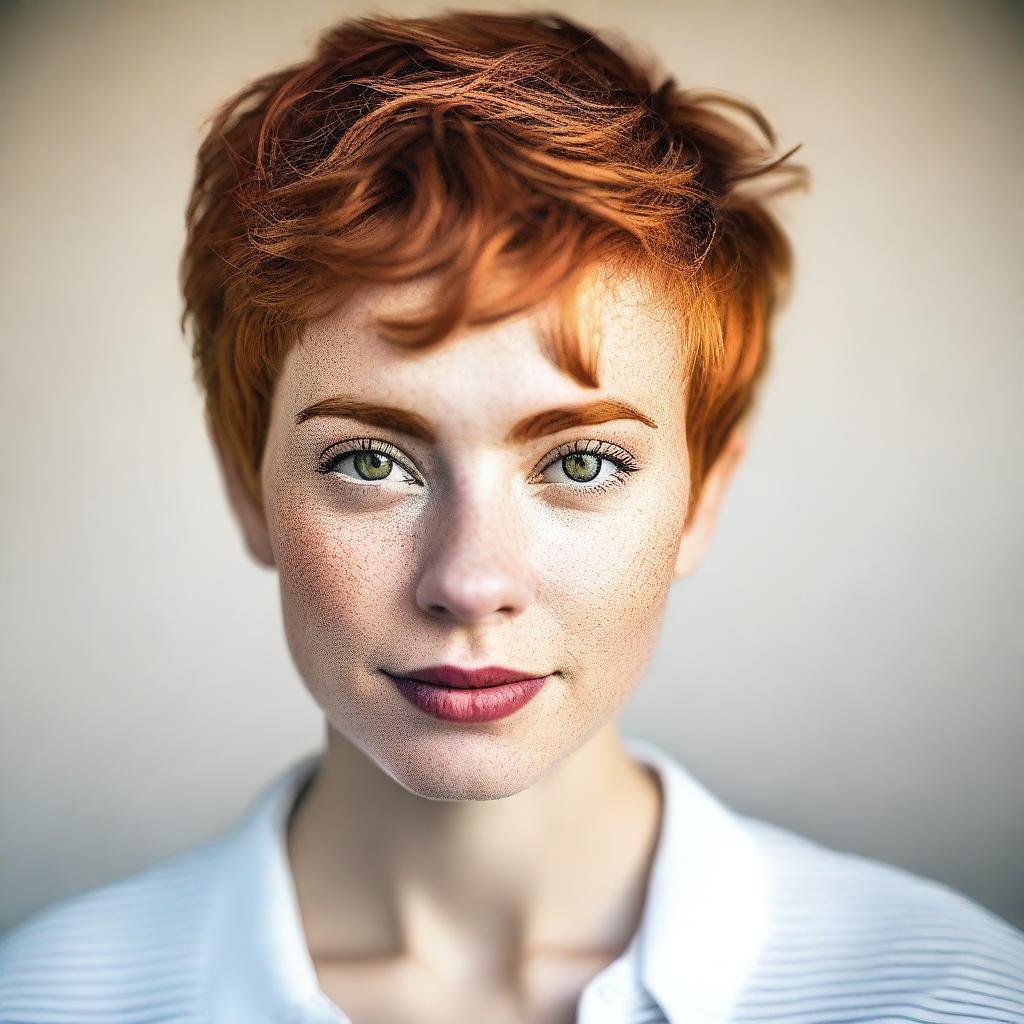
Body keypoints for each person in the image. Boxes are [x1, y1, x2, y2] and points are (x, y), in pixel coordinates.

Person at [1, 9, 1022, 1024]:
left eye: (581, 460)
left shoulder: (957, 995)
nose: (469, 580)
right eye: (370, 460)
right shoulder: (42, 1000)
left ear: (702, 499)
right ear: (245, 484)